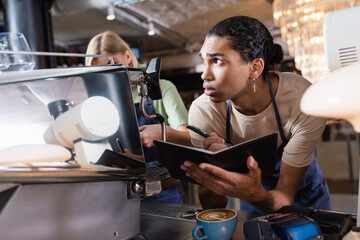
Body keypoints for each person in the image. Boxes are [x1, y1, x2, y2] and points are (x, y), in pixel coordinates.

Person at [180, 16, 330, 213]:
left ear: (255, 68)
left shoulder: (303, 100)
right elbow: (212, 205)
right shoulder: (204, 111)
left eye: (217, 61)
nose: (205, 75)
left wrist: (253, 193)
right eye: (204, 61)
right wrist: (215, 172)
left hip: (308, 200)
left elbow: (285, 195)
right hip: (253, 201)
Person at [85, 31, 191, 203]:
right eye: (102, 70)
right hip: (120, 193)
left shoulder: (163, 88)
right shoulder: (101, 102)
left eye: (114, 65)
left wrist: (162, 133)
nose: (109, 75)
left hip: (163, 191)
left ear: (128, 56)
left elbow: (191, 139)